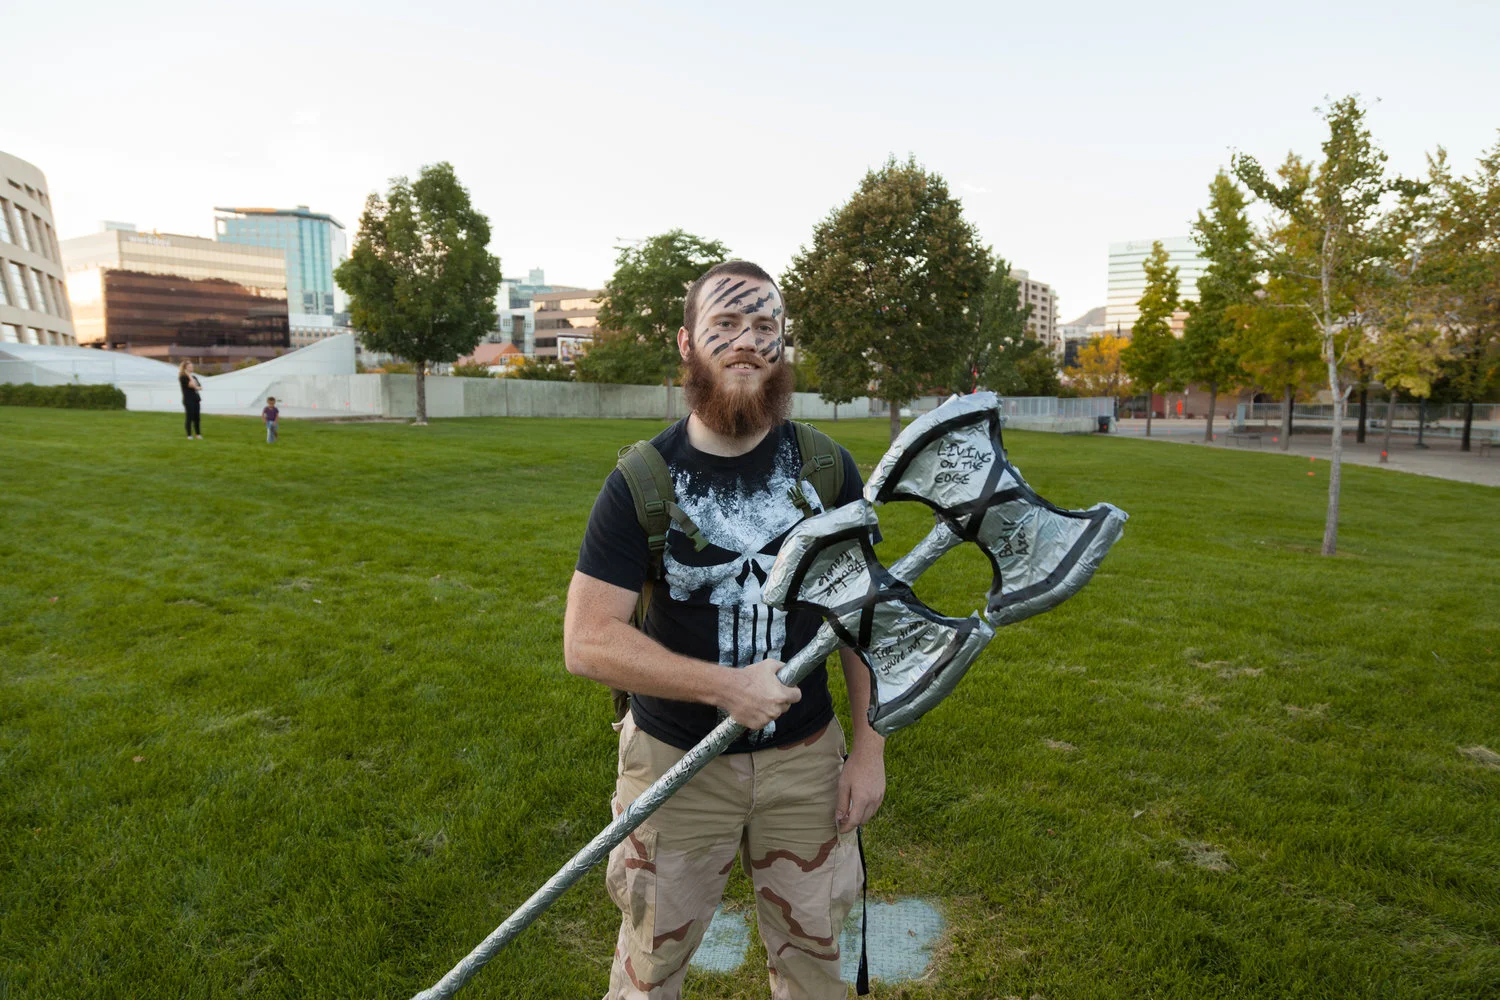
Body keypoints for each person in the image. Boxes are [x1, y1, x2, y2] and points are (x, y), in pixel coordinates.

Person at [564, 261, 886, 1000]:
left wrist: (868, 751)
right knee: (650, 970)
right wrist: (723, 687)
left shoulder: (826, 471)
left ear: (782, 345)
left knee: (816, 962)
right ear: (687, 343)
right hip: (677, 768)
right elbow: (587, 641)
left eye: (764, 327)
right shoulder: (643, 481)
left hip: (806, 767)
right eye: (727, 325)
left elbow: (861, 618)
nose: (747, 341)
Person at [178, 361, 202, 439]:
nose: (192, 368)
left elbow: (200, 387)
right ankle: (189, 435)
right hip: (188, 400)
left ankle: (198, 434)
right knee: (189, 417)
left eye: (192, 366)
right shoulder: (183, 377)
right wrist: (188, 375)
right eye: (190, 367)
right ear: (185, 368)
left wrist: (196, 386)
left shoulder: (194, 377)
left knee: (197, 417)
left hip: (196, 399)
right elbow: (192, 385)